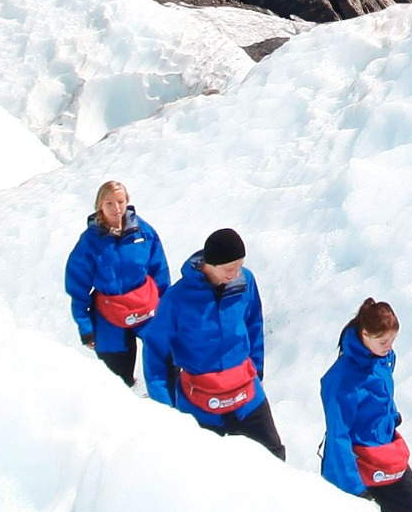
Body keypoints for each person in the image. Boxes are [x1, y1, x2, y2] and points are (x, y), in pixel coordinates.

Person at [140, 227, 284, 455]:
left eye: (239, 266)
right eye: (229, 269)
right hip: (200, 400)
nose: (235, 274)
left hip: (246, 392)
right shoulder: (177, 299)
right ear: (211, 264)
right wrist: (165, 407)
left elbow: (254, 325)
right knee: (203, 466)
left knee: (274, 455)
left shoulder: (245, 282)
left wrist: (257, 370)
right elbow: (155, 351)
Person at [320, 296, 412, 512]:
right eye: (383, 341)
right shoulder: (341, 380)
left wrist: (391, 416)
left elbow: (382, 393)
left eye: (393, 340)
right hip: (359, 463)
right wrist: (355, 489)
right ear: (365, 334)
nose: (389, 346)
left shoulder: (381, 359)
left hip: (386, 452)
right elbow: (338, 435)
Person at [64, 180, 169, 384]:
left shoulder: (143, 232)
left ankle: (163, 401)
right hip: (109, 315)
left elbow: (160, 272)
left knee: (166, 361)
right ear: (99, 206)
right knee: (117, 380)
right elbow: (77, 287)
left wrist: (168, 311)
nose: (116, 208)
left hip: (145, 307)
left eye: (120, 202)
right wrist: (86, 327)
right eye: (109, 203)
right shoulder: (89, 243)